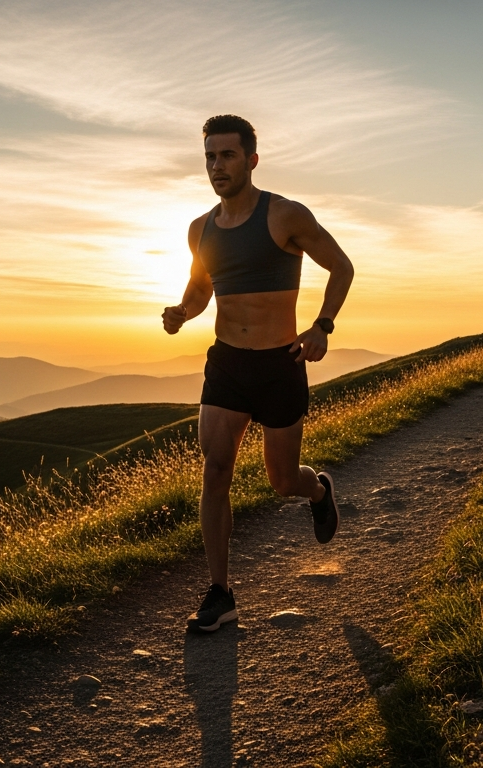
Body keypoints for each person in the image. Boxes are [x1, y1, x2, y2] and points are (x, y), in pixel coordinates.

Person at [162, 114, 354, 634]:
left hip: (280, 364)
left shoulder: (285, 215)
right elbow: (202, 289)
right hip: (227, 363)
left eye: (226, 155)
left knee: (281, 481)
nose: (216, 166)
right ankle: (221, 593)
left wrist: (322, 326)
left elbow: (342, 267)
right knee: (216, 467)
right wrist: (182, 312)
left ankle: (318, 492)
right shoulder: (199, 229)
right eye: (209, 156)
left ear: (251, 159)